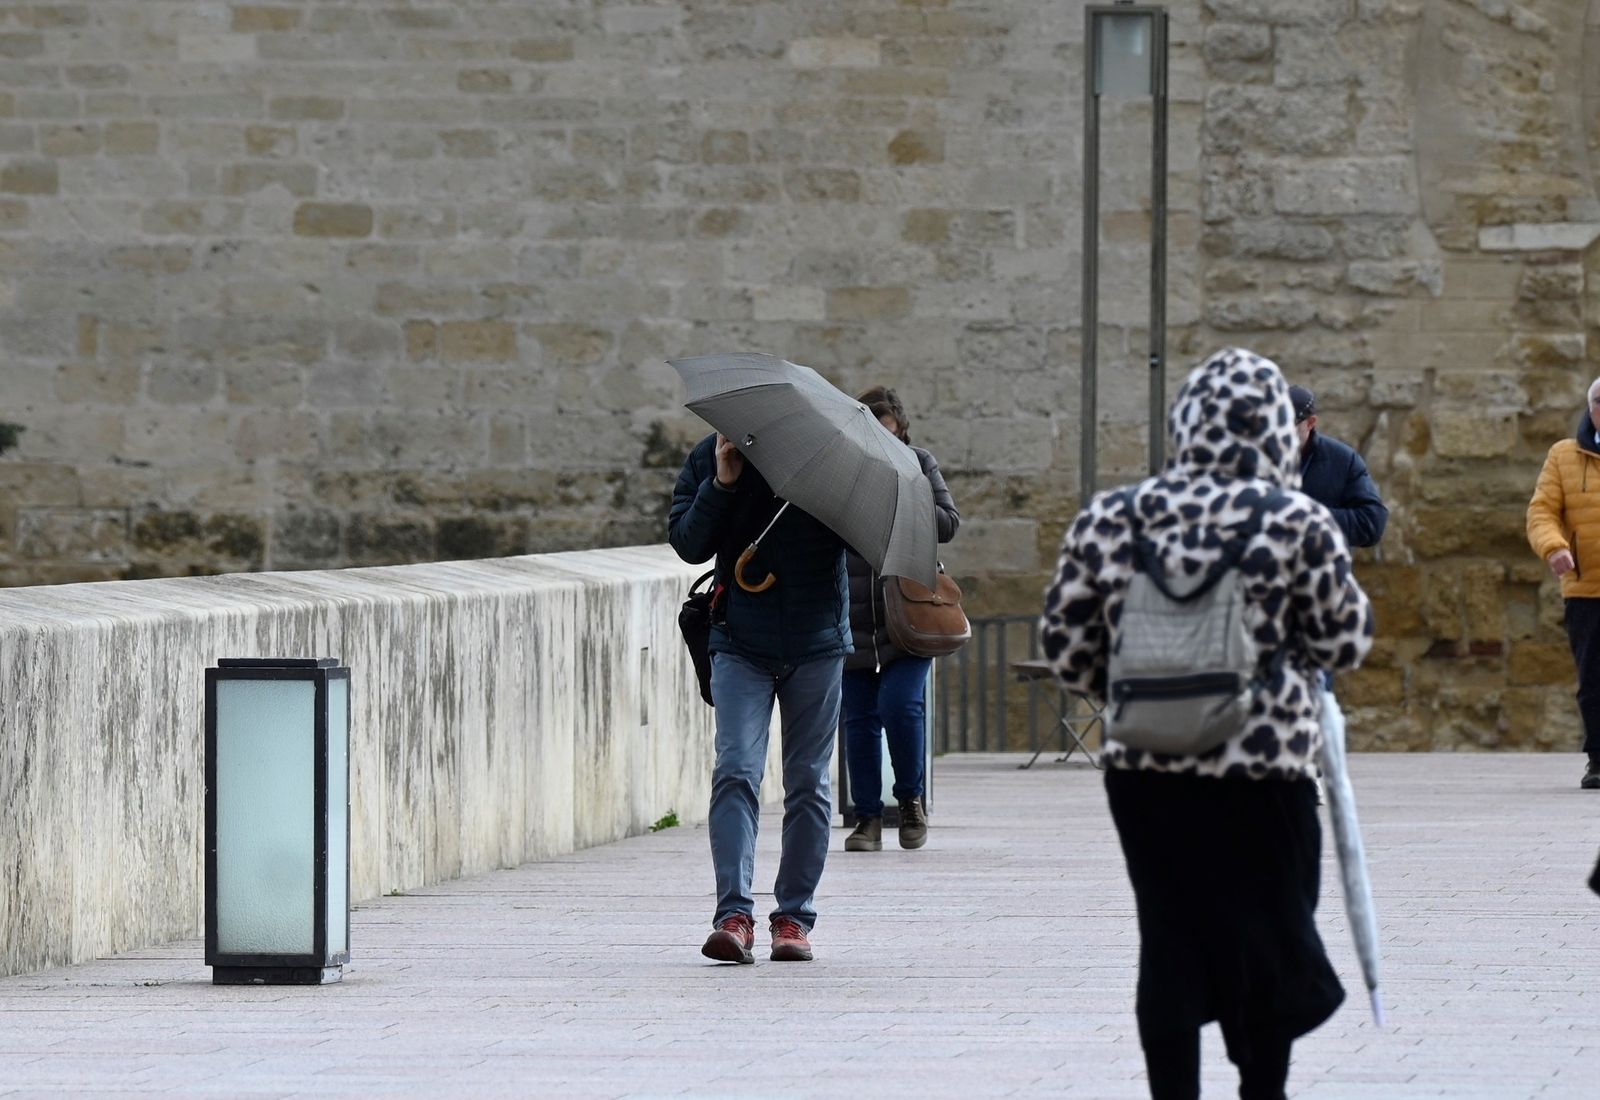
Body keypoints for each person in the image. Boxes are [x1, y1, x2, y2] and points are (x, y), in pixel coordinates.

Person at [1041, 348, 1375, 1100]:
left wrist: (1144, 691)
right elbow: (1345, 641)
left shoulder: (1113, 517)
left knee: (1169, 939)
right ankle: (1262, 1089)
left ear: (1184, 425)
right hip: (1267, 771)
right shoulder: (1296, 520)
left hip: (1146, 772)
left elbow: (1066, 647)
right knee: (1269, 937)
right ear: (1277, 431)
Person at [668, 430, 851, 964]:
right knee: (735, 771)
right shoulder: (713, 453)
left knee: (808, 782)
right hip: (738, 641)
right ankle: (733, 915)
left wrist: (824, 494)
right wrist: (722, 483)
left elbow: (867, 544)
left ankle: (794, 917)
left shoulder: (832, 458)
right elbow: (688, 544)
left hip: (817, 643)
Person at [841, 386, 960, 853]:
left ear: (902, 432)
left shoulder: (919, 465)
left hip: (909, 614)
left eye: (890, 435)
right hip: (852, 614)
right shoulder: (843, 474)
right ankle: (867, 818)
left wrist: (906, 494)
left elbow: (948, 523)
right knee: (858, 717)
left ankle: (910, 801)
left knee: (900, 705)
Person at [1525, 376, 1600, 790]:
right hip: (1587, 589)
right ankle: (1599, 760)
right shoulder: (1563, 455)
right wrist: (1554, 548)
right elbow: (1542, 512)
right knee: (1593, 682)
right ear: (1591, 408)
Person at [1287, 384, 1388, 550]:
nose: (1279, 432)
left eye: (1288, 425)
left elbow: (1372, 523)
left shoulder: (1343, 460)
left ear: (1310, 423)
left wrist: (1309, 518)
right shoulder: (1254, 456)